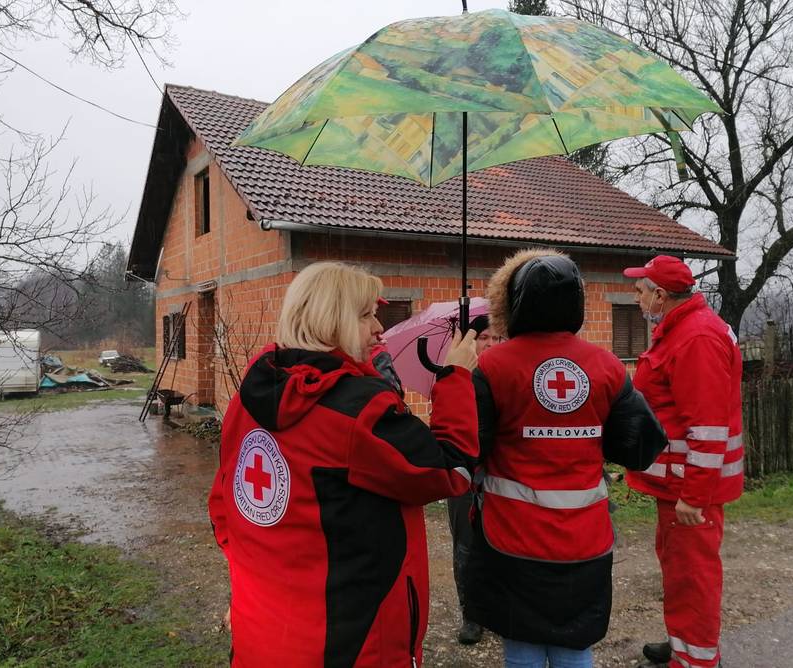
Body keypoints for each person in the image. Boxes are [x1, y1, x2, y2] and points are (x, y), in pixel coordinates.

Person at [207, 261, 480, 667]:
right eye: (367, 314)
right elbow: (449, 469)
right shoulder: (358, 410)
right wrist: (456, 377)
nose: (379, 329)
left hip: (262, 633)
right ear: (332, 320)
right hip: (348, 644)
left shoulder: (249, 394)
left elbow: (223, 506)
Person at [464, 249, 667, 668]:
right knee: (576, 645)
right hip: (585, 540)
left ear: (514, 303)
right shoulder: (607, 366)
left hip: (512, 539)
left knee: (521, 647)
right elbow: (640, 447)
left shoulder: (493, 366)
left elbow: (468, 451)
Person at [622, 255, 744, 668]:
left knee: (693, 578)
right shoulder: (680, 329)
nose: (636, 297)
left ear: (660, 295)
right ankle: (682, 643)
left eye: (640, 290)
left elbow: (708, 426)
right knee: (678, 573)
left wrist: (694, 496)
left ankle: (697, 661)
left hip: (689, 491)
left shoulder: (696, 338)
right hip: (676, 486)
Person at [447, 314, 501, 645]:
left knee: (503, 543)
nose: (491, 344)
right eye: (484, 338)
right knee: (466, 545)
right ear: (471, 341)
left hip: (500, 474)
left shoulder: (511, 377)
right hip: (465, 476)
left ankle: (499, 608)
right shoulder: (455, 376)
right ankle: (471, 615)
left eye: (497, 338)